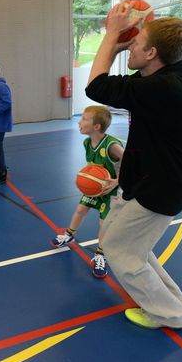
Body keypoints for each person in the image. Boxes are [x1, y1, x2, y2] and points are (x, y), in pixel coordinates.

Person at [85, 4, 182, 329]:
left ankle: (170, 315)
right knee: (117, 237)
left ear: (152, 53)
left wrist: (110, 36)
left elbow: (96, 87)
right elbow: (155, 57)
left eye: (137, 41)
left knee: (122, 251)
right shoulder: (167, 71)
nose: (129, 43)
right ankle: (170, 297)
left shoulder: (166, 87)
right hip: (145, 177)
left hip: (164, 185)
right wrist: (129, 40)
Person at [51, 105, 124, 279]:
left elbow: (133, 162)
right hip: (95, 189)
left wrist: (117, 181)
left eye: (84, 118)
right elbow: (94, 166)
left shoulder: (111, 145)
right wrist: (87, 179)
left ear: (96, 126)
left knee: (102, 224)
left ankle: (100, 254)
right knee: (80, 210)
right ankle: (69, 235)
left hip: (109, 191)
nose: (80, 121)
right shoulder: (87, 142)